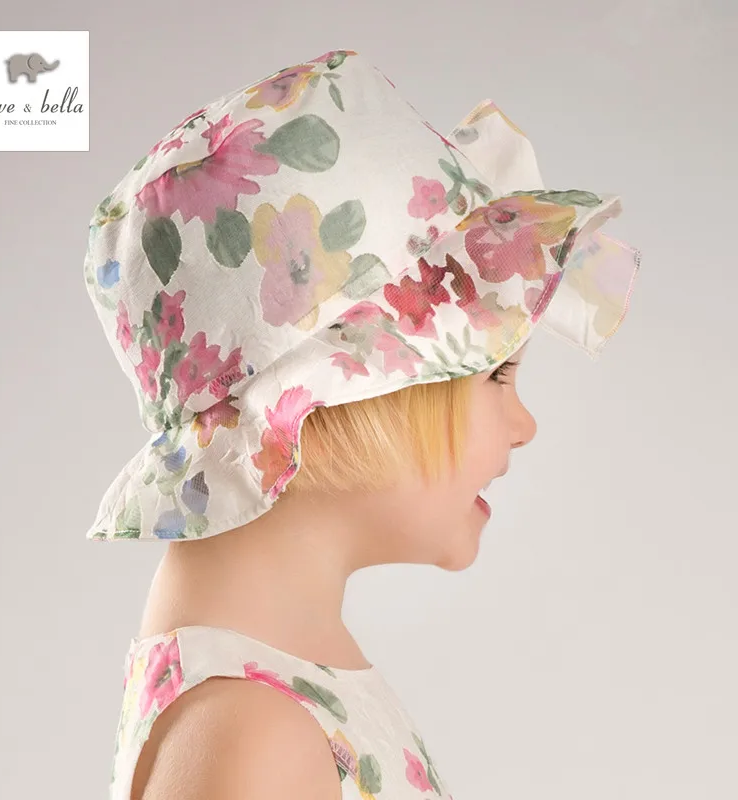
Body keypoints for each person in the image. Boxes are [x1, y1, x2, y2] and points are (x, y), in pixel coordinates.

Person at [82, 49, 640, 800]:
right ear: (346, 396)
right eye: (496, 374)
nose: (523, 425)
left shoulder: (278, 691)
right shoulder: (257, 736)